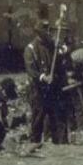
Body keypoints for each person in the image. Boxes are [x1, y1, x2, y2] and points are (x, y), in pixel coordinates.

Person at [24, 13, 69, 144]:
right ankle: (34, 144)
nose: (48, 33)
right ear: (38, 32)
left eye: (49, 30)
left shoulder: (52, 47)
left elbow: (60, 62)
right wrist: (44, 77)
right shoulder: (30, 49)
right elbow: (31, 70)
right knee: (38, 117)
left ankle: (59, 143)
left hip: (53, 88)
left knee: (56, 116)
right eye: (45, 31)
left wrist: (63, 51)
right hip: (38, 89)